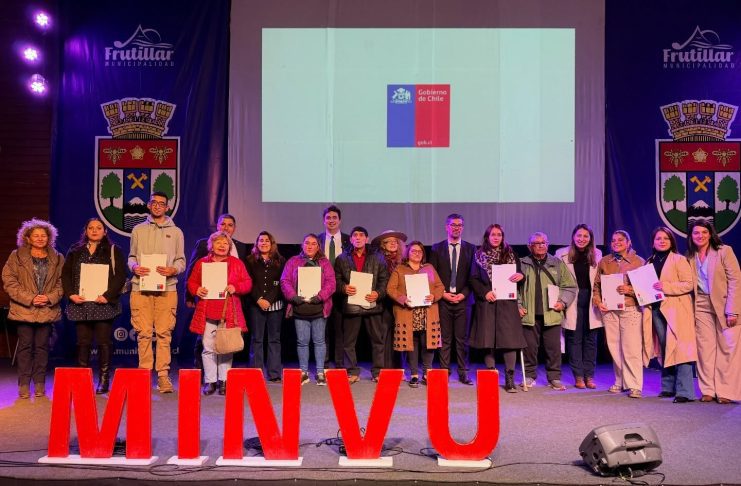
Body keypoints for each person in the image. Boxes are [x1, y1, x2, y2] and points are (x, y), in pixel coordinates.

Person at [127, 191, 186, 393]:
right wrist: (134, 267)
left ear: (167, 207)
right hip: (141, 287)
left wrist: (173, 270)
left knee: (163, 333)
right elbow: (131, 257)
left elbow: (181, 260)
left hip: (167, 288)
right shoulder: (138, 230)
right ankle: (144, 374)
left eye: (162, 203)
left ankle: (162, 375)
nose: (158, 206)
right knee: (143, 333)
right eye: (154, 202)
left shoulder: (176, 232)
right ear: (149, 205)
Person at [61, 217, 127, 394]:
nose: (95, 230)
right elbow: (65, 275)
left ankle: (104, 379)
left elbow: (120, 276)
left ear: (105, 231)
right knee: (83, 342)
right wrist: (71, 294)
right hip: (81, 303)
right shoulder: (75, 250)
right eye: (91, 228)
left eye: (99, 228)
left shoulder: (113, 250)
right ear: (86, 231)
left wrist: (107, 296)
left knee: (104, 342)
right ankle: (82, 379)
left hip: (103, 304)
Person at [2, 218, 64, 399]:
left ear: (49, 237)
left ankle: (39, 383)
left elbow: (62, 283)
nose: (40, 238)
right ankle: (23, 383)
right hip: (24, 310)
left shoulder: (58, 258)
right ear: (27, 238)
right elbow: (9, 281)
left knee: (42, 348)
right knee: (25, 347)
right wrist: (30, 298)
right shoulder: (16, 256)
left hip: (46, 310)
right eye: (36, 235)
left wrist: (49, 297)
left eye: (43, 235)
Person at [188, 231, 252, 395]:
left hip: (228, 311)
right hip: (207, 310)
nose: (222, 246)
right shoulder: (202, 263)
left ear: (229, 247)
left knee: (225, 347)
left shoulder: (237, 263)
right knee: (208, 347)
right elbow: (192, 282)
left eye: (225, 243)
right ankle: (210, 381)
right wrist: (197, 289)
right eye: (218, 242)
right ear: (211, 245)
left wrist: (236, 287)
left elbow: (248, 283)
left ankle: (224, 381)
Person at [687, 220, 741, 404]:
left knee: (727, 349)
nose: (700, 236)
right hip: (701, 304)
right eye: (696, 233)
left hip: (725, 305)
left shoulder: (724, 251)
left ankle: (726, 391)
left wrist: (733, 310)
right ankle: (708, 389)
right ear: (691, 236)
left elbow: (735, 280)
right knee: (705, 349)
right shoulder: (690, 256)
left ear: (710, 234)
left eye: (704, 232)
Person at [468, 224, 526, 392]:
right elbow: (473, 279)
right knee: (489, 340)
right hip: (488, 302)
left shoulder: (511, 254)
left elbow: (519, 275)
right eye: (493, 234)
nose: (496, 237)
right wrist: (484, 292)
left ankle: (509, 378)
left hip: (507, 303)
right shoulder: (478, 255)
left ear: (502, 237)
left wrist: (521, 276)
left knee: (509, 341)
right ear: (487, 237)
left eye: (499, 234)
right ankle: (491, 374)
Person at [641, 227, 696, 403]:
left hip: (677, 309)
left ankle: (685, 392)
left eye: (666, 238)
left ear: (672, 241)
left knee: (681, 349)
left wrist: (666, 286)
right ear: (653, 242)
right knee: (665, 347)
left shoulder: (679, 259)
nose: (662, 241)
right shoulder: (649, 261)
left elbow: (689, 284)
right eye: (658, 238)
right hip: (657, 309)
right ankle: (667, 387)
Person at [519, 232, 576, 390]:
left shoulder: (557, 263)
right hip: (529, 313)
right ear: (529, 246)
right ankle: (529, 376)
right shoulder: (522, 263)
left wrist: (562, 302)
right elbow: (514, 288)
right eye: (537, 243)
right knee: (529, 348)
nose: (541, 245)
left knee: (553, 348)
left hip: (552, 313)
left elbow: (570, 286)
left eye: (544, 242)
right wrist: (518, 305)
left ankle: (554, 377)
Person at [593, 230, 645, 398]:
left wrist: (629, 290)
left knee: (631, 348)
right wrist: (598, 302)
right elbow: (596, 286)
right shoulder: (605, 261)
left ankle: (634, 385)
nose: (616, 242)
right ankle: (620, 381)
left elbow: (646, 288)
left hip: (630, 308)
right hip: (610, 310)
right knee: (614, 347)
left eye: (621, 240)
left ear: (628, 243)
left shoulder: (638, 261)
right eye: (613, 240)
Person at [386, 241, 444, 387]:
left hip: (427, 313)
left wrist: (434, 296)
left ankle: (427, 373)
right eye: (413, 251)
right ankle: (414, 374)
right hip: (408, 312)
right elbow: (391, 288)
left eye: (420, 251)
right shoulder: (400, 269)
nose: (417, 254)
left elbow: (440, 286)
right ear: (408, 253)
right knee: (412, 344)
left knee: (428, 343)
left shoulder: (429, 268)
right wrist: (403, 299)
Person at [335, 226, 389, 382]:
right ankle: (352, 372)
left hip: (372, 303)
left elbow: (384, 280)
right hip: (351, 304)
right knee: (349, 342)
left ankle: (377, 372)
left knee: (377, 341)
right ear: (351, 239)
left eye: (361, 235)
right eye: (355, 235)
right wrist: (344, 288)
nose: (358, 238)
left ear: (367, 239)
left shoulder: (378, 257)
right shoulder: (342, 258)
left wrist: (378, 293)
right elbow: (336, 280)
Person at [280, 233, 336, 385]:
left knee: (319, 341)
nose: (310, 246)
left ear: (318, 247)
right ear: (302, 245)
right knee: (302, 342)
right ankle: (303, 372)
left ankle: (320, 372)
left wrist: (320, 296)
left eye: (313, 243)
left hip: (319, 308)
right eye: (307, 243)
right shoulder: (293, 261)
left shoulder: (324, 263)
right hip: (300, 307)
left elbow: (331, 283)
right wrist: (293, 296)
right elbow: (285, 281)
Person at [555, 224, 603, 389]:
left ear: (590, 238)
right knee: (574, 339)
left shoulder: (597, 254)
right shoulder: (561, 254)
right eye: (579, 235)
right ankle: (579, 376)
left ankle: (589, 376)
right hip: (572, 299)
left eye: (585, 236)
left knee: (590, 340)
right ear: (573, 237)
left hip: (591, 300)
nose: (582, 239)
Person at [429, 214, 475, 385]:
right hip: (443, 300)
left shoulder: (471, 249)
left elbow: (473, 276)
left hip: (464, 300)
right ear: (446, 227)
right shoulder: (436, 248)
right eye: (453, 225)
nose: (456, 228)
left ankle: (463, 372)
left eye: (459, 225)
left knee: (462, 339)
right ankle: (444, 371)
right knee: (445, 339)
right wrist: (443, 294)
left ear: (462, 228)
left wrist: (463, 294)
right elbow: (432, 276)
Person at [244, 231, 285, 383]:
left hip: (276, 305)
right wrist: (259, 299)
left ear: (271, 243)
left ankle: (274, 373)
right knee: (257, 339)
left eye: (267, 240)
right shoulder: (249, 260)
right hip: (256, 305)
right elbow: (249, 281)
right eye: (261, 240)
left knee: (274, 339)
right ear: (257, 243)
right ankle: (256, 373)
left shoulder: (280, 260)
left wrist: (269, 299)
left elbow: (280, 283)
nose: (264, 243)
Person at [316, 205, 351, 368]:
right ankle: (323, 363)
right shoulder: (317, 240)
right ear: (324, 221)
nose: (331, 220)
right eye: (328, 218)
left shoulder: (348, 240)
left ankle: (339, 363)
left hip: (342, 290)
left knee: (340, 329)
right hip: (321, 290)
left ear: (340, 220)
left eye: (334, 218)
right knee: (322, 329)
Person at [372, 230, 407, 369]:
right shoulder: (377, 260)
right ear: (383, 244)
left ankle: (398, 367)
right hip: (383, 302)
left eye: (395, 241)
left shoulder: (404, 261)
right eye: (388, 241)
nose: (392, 243)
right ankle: (384, 367)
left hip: (400, 302)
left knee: (400, 333)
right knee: (383, 334)